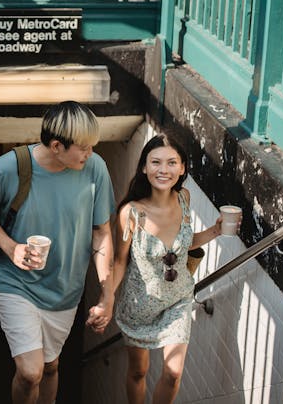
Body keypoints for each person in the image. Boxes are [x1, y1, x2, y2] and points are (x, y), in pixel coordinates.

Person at [0, 101, 116, 404]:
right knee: (30, 372)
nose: (91, 153)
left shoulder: (95, 169)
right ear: (56, 145)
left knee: (51, 367)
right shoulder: (9, 167)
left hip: (65, 290)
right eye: (84, 147)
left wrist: (107, 293)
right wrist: (12, 248)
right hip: (16, 283)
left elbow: (101, 232)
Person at [92, 133, 239, 404]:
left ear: (182, 168)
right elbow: (121, 261)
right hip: (138, 307)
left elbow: (180, 246)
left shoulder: (184, 198)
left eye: (172, 163)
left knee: (173, 373)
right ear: (144, 168)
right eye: (156, 162)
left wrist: (215, 231)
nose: (164, 170)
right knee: (139, 371)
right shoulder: (131, 213)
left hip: (178, 300)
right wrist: (106, 299)